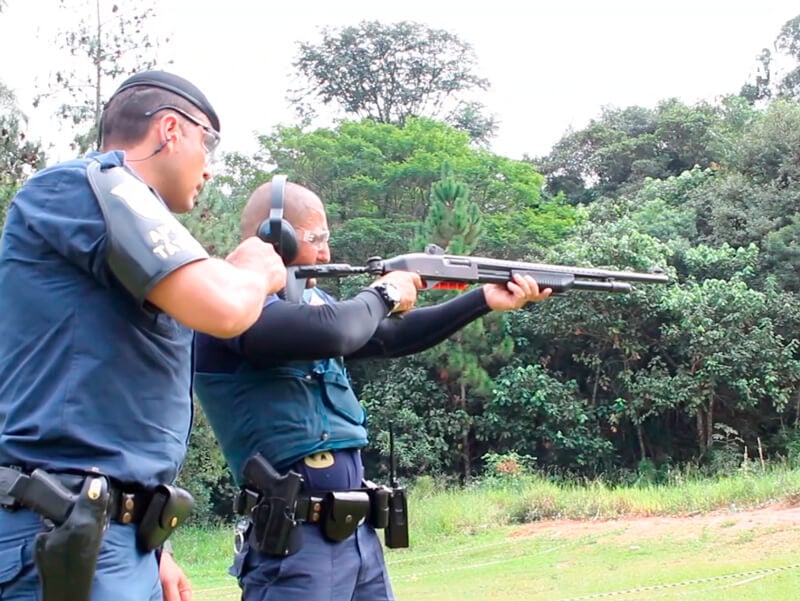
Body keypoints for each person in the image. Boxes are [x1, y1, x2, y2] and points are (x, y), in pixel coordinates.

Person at [0, 71, 287, 601]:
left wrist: (154, 546)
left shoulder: (127, 220)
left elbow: (110, 411)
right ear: (171, 129)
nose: (210, 164)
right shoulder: (83, 186)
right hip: (60, 533)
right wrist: (254, 270)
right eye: (209, 141)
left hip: (111, 536)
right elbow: (225, 309)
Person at [193, 179, 552, 601]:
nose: (326, 252)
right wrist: (385, 291)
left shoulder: (310, 305)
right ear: (277, 237)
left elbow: (389, 337)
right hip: (294, 544)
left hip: (356, 535)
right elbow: (341, 329)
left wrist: (482, 300)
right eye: (317, 239)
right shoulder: (231, 306)